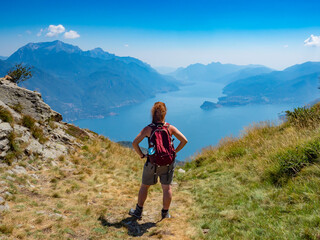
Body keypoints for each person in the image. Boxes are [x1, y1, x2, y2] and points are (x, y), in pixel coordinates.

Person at [129, 102, 188, 220]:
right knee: (167, 188)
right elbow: (184, 140)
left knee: (144, 187)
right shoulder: (170, 128)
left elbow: (135, 143)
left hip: (152, 163)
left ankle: (138, 211)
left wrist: (141, 155)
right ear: (164, 113)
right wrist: (174, 152)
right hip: (168, 163)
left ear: (153, 113)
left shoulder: (148, 129)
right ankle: (165, 213)